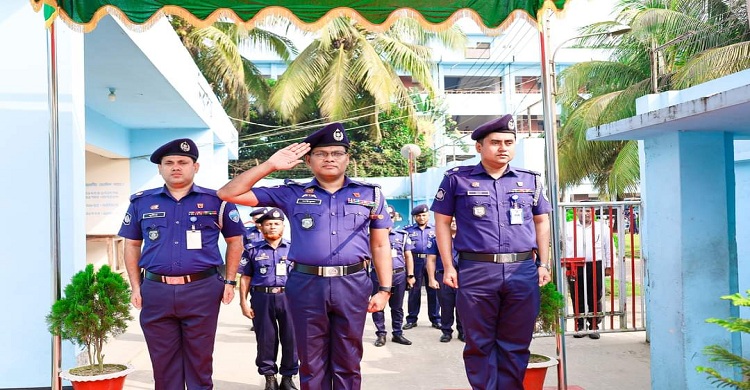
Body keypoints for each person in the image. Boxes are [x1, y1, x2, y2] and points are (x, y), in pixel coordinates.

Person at [216, 122, 393, 390]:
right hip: (306, 284)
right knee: (311, 359)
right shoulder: (292, 193)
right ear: (308, 160)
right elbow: (227, 193)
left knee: (349, 358)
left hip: (353, 283)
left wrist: (385, 289)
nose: (330, 158)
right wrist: (270, 165)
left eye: (337, 153)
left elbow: (380, 246)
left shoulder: (371, 194)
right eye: (322, 153)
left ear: (347, 158)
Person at [430, 114, 552, 389]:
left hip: (522, 270)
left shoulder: (529, 180)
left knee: (517, 342)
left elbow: (542, 221)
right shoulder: (456, 180)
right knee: (479, 343)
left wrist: (543, 263)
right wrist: (448, 266)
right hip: (476, 271)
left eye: (509, 142)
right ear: (479, 147)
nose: (503, 148)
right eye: (495, 142)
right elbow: (442, 223)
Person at [118, 138, 246, 389]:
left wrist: (230, 281)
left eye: (183, 162)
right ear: (160, 169)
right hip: (156, 290)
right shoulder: (141, 203)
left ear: (195, 167)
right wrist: (135, 286)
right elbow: (131, 245)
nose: (176, 167)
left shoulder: (217, 200)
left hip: (202, 288)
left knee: (200, 359)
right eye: (169, 163)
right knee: (163, 362)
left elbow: (235, 241)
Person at [239, 207, 299, 390]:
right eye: (268, 224)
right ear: (261, 227)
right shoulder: (251, 250)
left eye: (276, 224)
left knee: (291, 338)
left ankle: (288, 378)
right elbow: (245, 277)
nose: (272, 227)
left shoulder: (295, 249)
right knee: (266, 339)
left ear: (282, 226)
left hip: (289, 298)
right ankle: (269, 377)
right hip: (262, 297)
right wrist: (243, 301)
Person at [564, 207, 613, 339]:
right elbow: (561, 246)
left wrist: (609, 265)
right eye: (581, 210)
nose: (584, 213)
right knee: (576, 295)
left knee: (595, 295)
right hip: (574, 265)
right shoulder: (568, 227)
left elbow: (609, 247)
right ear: (576, 212)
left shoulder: (601, 227)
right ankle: (580, 325)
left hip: (595, 264)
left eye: (587, 211)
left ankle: (593, 325)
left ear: (593, 212)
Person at [371, 205, 415, 347]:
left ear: (393, 219)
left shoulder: (402, 235)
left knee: (397, 307)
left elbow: (408, 256)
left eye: (390, 217)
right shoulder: (370, 237)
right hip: (377, 276)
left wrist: (410, 275)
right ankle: (381, 334)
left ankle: (397, 333)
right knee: (378, 307)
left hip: (398, 275)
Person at [402, 204, 441, 330]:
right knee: (414, 290)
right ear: (414, 217)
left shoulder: (436, 229)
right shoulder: (407, 230)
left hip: (433, 261)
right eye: (418, 216)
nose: (421, 218)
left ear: (428, 215)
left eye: (423, 215)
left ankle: (435, 318)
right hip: (415, 261)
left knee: (434, 290)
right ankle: (412, 319)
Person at [426, 218, 463, 343]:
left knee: (462, 306)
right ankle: (446, 331)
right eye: (451, 220)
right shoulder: (437, 239)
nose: (453, 222)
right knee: (446, 305)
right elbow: (431, 260)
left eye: (455, 220)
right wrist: (431, 278)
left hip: (462, 276)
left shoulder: (465, 239)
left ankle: (462, 331)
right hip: (443, 275)